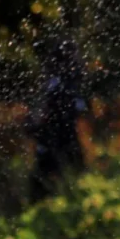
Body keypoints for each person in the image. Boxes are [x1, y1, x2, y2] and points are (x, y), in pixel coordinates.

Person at [28, 37, 88, 200]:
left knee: (57, 173)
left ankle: (53, 204)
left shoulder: (58, 79)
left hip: (57, 135)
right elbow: (53, 108)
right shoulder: (62, 81)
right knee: (60, 172)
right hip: (57, 134)